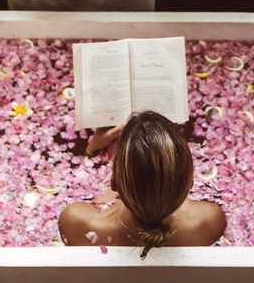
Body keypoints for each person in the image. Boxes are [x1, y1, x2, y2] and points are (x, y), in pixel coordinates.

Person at [58, 110, 226, 258]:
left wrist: (91, 151)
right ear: (190, 182)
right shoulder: (209, 220)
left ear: (113, 183)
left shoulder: (76, 221)